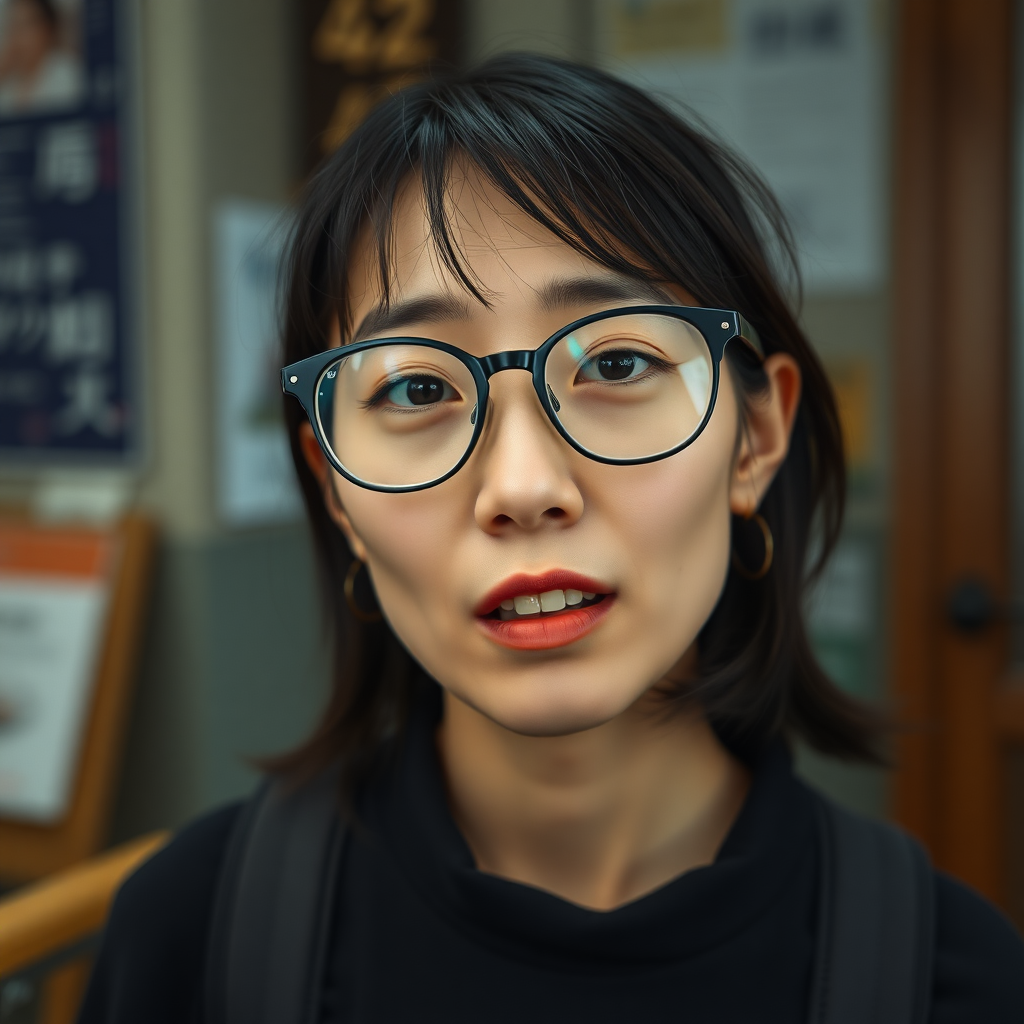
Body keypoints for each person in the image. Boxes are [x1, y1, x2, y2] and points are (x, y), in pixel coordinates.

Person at [79, 54, 1023, 1023]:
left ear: (755, 437)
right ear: (335, 492)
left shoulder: (951, 977)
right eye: (415, 389)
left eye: (616, 360)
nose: (523, 488)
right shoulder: (191, 936)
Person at [0, 0, 82, 116]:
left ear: (46, 28)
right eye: (14, 26)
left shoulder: (66, 73)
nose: (17, 35)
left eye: (25, 25)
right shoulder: (9, 82)